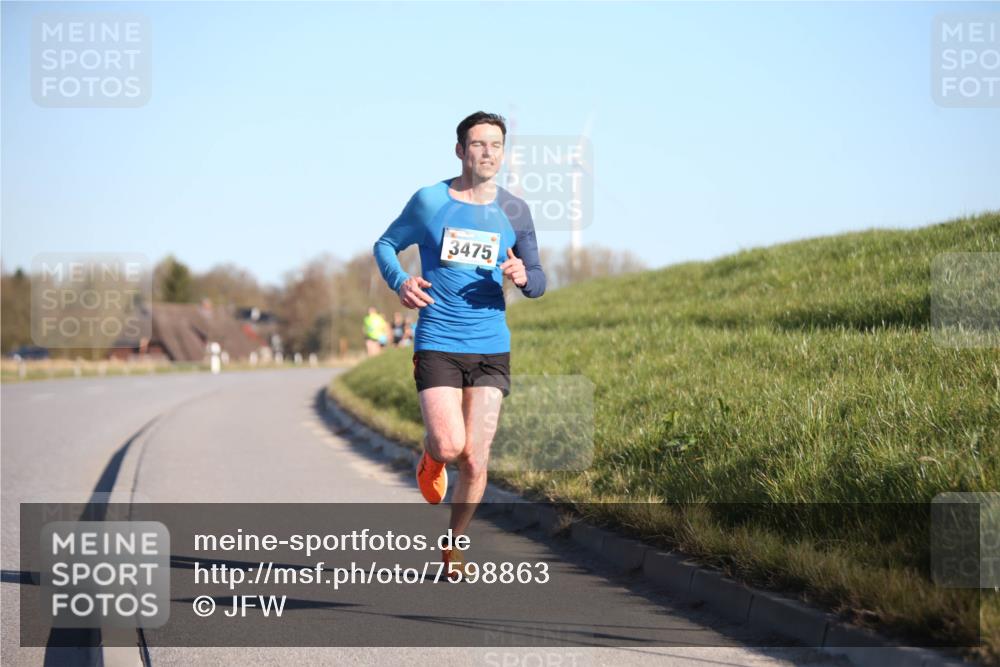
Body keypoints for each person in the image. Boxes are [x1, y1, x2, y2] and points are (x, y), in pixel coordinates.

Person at [373, 111, 546, 580]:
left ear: (503, 153)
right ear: (459, 150)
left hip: (491, 345)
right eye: (477, 144)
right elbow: (386, 245)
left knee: (476, 456)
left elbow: (538, 278)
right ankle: (431, 457)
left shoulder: (515, 211)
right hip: (439, 341)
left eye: (495, 145)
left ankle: (453, 546)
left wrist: (524, 276)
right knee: (450, 445)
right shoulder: (430, 201)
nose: (487, 153)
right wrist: (401, 281)